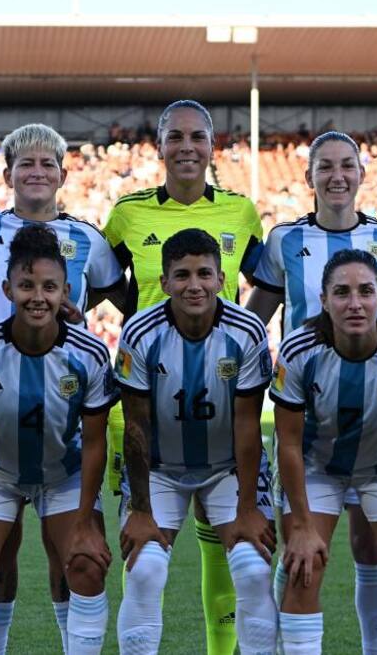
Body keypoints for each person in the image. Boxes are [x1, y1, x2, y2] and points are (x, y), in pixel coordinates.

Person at [0, 123, 124, 652]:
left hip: (62, 416)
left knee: (78, 562)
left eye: (47, 164)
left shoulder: (87, 238)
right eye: (26, 164)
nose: (37, 172)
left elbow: (119, 292)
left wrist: (75, 311)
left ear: (63, 175)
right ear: (8, 175)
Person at [103, 100, 266, 655]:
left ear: (212, 145)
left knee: (228, 549)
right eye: (176, 136)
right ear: (159, 146)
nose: (187, 146)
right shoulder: (128, 213)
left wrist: (244, 333)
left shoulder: (241, 212)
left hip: (221, 391)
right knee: (143, 552)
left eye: (198, 136)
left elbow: (267, 281)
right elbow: (104, 278)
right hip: (147, 394)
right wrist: (138, 317)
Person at [247, 131, 377, 654]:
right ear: (309, 177)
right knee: (302, 550)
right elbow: (256, 317)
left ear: (362, 174)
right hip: (307, 419)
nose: (337, 176)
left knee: (372, 548)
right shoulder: (284, 240)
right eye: (326, 166)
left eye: (347, 165)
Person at [271, 249, 377, 654]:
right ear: (323, 300)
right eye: (342, 293)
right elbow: (289, 443)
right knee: (304, 564)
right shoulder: (298, 351)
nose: (355, 303)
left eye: (366, 291)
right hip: (317, 467)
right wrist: (301, 525)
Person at [114, 229, 277, 654]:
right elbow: (135, 427)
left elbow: (248, 425)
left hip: (226, 468)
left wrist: (247, 509)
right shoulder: (139, 332)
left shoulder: (247, 330)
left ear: (221, 279)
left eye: (204, 273)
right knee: (145, 569)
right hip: (159, 469)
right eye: (182, 275)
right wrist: (140, 510)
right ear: (164, 282)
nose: (194, 285)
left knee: (253, 568)